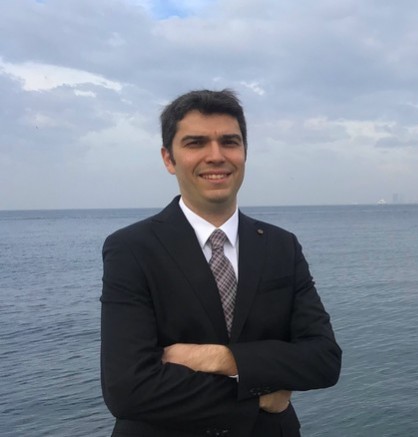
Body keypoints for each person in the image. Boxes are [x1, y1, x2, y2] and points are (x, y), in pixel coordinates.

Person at [100, 89, 341, 437]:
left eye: (229, 142)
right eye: (195, 143)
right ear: (169, 159)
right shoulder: (132, 249)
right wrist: (258, 398)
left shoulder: (281, 246)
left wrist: (223, 360)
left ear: (244, 153)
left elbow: (324, 359)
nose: (216, 156)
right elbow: (128, 389)